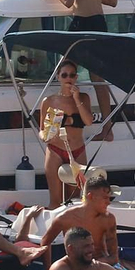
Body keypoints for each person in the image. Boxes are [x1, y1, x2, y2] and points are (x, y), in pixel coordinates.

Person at [45, 0, 118, 137]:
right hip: (99, 23)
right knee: (98, 79)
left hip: (81, 23)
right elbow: (112, 1)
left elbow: (68, 1)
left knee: (65, 72)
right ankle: (108, 128)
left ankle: (56, 125)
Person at [37, 59, 94, 206]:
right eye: (64, 75)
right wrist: (45, 137)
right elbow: (42, 130)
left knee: (74, 201)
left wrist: (76, 98)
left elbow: (88, 121)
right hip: (55, 150)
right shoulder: (49, 101)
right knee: (55, 201)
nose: (68, 78)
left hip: (77, 150)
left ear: (76, 77)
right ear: (58, 77)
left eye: (72, 75)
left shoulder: (83, 98)